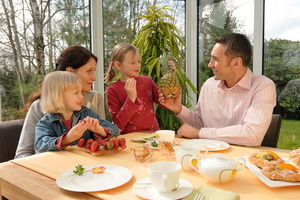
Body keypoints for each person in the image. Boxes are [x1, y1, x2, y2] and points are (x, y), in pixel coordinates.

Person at [159, 33, 276, 146]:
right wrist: (179, 109)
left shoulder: (263, 86)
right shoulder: (209, 85)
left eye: (215, 59)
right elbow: (200, 124)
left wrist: (200, 134)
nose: (210, 64)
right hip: (206, 157)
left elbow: (252, 135)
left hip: (242, 160)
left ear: (236, 63)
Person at [15, 46, 106, 158]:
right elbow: (23, 154)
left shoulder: (96, 98)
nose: (94, 78)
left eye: (94, 71)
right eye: (89, 71)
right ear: (70, 72)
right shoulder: (40, 106)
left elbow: (103, 140)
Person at [34, 71, 118, 152]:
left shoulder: (87, 113)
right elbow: (40, 145)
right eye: (76, 93)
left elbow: (115, 129)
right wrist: (68, 138)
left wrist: (100, 130)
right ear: (58, 96)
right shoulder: (45, 123)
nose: (81, 97)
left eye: (81, 92)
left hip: (88, 163)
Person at [105, 43, 169, 134]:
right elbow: (118, 124)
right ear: (118, 65)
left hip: (152, 136)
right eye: (132, 62)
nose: (138, 65)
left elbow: (165, 103)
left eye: (139, 61)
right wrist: (131, 98)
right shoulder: (112, 90)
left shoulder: (147, 82)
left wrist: (171, 76)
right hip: (129, 140)